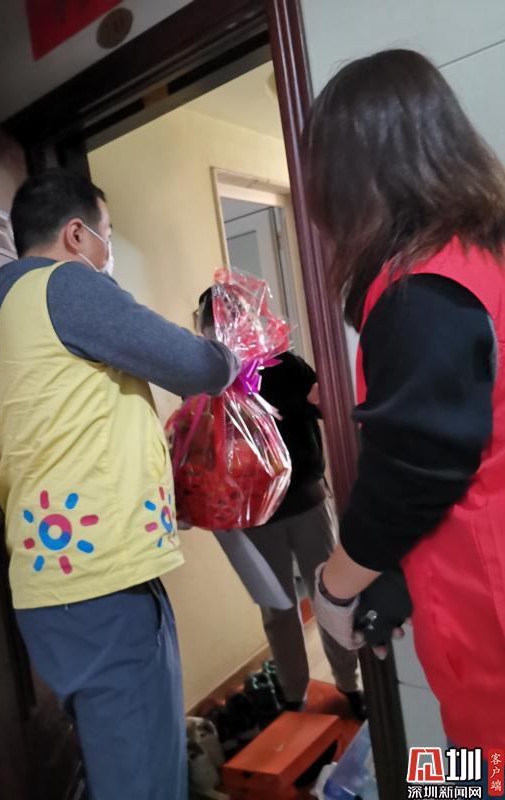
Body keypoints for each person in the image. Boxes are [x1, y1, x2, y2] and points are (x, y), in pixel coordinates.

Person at [0, 168, 240, 800]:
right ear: (76, 235)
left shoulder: (1, 315)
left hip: (53, 587)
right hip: (105, 587)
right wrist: (228, 351)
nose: (108, 250)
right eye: (107, 234)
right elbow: (196, 367)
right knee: (144, 783)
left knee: (122, 767)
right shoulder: (65, 286)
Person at [305, 49, 505, 754]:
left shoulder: (424, 291)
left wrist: (334, 588)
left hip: (490, 621)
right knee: (454, 774)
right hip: (468, 595)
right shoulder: (480, 256)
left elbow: (410, 474)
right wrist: (392, 571)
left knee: (472, 777)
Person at [196, 288, 366, 720]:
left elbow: (327, 405)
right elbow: (200, 442)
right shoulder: (209, 380)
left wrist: (307, 399)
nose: (222, 330)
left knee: (331, 594)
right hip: (253, 514)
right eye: (213, 324)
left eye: (227, 320)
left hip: (307, 501)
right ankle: (294, 695)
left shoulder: (284, 364)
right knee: (277, 608)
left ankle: (350, 684)